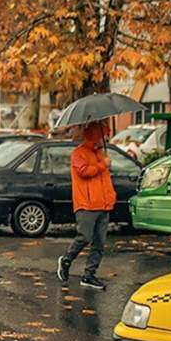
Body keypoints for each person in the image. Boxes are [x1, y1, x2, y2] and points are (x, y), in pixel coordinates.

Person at [56, 120, 116, 290]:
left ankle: (89, 275)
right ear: (94, 136)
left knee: (99, 243)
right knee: (84, 237)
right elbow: (84, 171)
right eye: (102, 135)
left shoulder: (100, 153)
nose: (104, 139)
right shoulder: (78, 153)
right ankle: (66, 260)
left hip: (103, 205)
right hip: (87, 204)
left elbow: (103, 178)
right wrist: (103, 164)